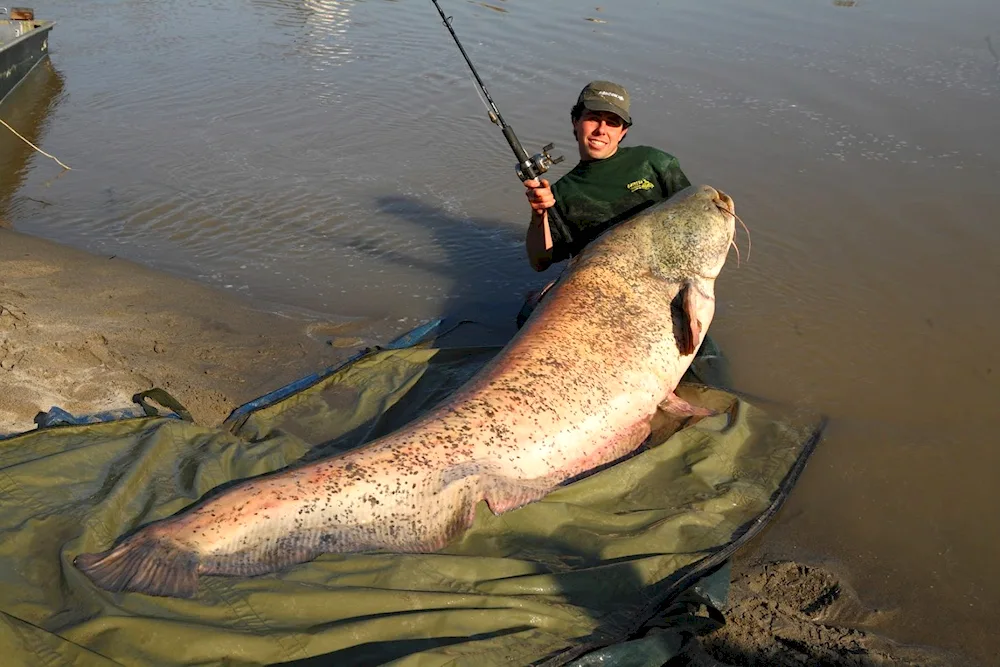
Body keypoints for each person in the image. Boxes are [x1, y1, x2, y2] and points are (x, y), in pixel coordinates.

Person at [516, 80, 693, 326]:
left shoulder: (654, 162)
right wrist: (539, 215)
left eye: (612, 122)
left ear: (623, 132)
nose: (601, 129)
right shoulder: (561, 193)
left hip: (663, 288)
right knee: (526, 317)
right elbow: (539, 262)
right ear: (575, 122)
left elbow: (694, 220)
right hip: (602, 294)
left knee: (708, 360)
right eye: (593, 118)